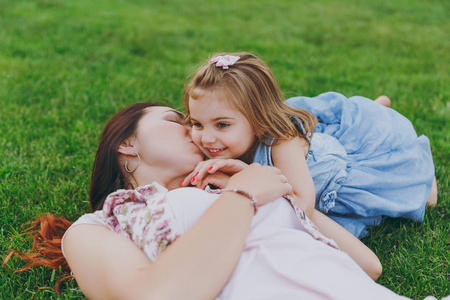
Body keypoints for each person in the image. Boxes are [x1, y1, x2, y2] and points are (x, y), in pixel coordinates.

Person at [5, 101, 440, 299]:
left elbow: (368, 267)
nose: (197, 132)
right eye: (181, 121)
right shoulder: (95, 229)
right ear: (128, 145)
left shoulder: (230, 188)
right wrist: (245, 195)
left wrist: (281, 193)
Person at [181, 52, 437, 242]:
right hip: (321, 150)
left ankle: (397, 136)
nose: (207, 138)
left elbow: (303, 204)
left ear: (258, 120)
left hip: (342, 179)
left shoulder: (282, 143)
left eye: (222, 125)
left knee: (427, 199)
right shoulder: (220, 145)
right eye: (198, 124)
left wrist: (240, 183)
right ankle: (376, 108)